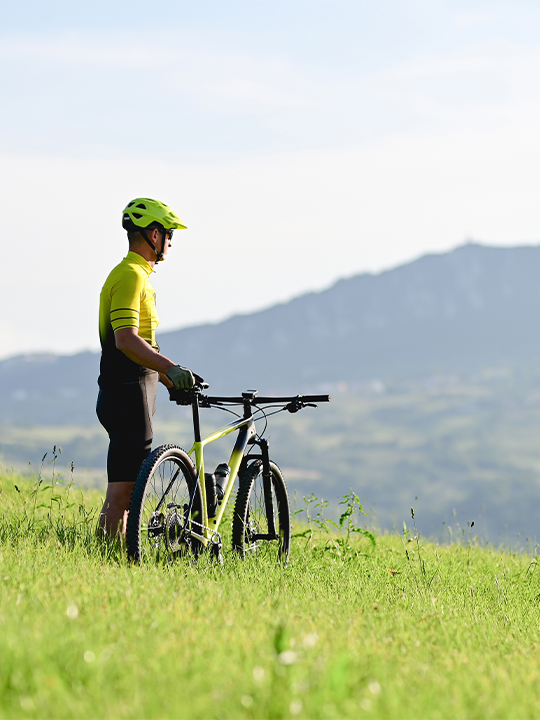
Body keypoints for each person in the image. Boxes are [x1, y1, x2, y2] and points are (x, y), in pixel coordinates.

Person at [96, 197, 195, 536]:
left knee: (125, 492)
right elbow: (126, 340)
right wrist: (173, 367)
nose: (170, 241)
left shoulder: (138, 275)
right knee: (124, 495)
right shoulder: (130, 276)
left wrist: (169, 381)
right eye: (169, 234)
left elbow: (141, 348)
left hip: (133, 389)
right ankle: (107, 563)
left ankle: (111, 560)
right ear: (154, 235)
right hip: (127, 392)